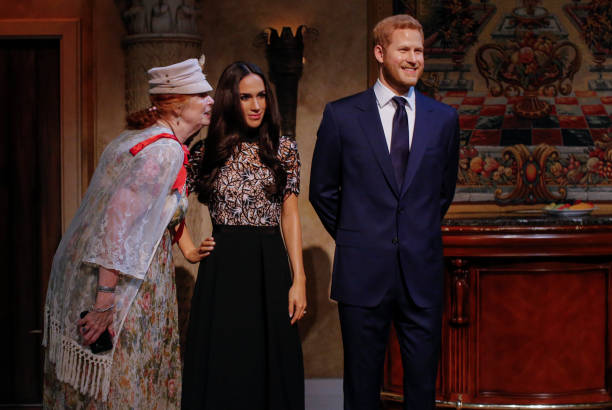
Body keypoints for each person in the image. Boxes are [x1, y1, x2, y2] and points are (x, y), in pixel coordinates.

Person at [42, 58, 216, 409]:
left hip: (112, 272)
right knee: (123, 386)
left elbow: (157, 211)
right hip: (124, 283)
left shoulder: (148, 139)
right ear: (179, 106)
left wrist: (189, 250)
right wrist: (105, 303)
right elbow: (118, 223)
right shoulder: (163, 150)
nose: (211, 100)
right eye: (201, 94)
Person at [309, 14, 460, 410]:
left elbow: (443, 192)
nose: (414, 59)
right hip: (362, 274)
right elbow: (321, 191)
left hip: (421, 272)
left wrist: (414, 231)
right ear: (380, 53)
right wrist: (357, 235)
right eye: (404, 50)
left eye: (419, 51)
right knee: (361, 389)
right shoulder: (342, 116)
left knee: (422, 389)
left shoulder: (444, 120)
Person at [182, 61, 306, 410]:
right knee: (226, 366)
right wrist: (189, 249)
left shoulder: (283, 149)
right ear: (229, 101)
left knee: (272, 365)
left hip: (270, 265)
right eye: (246, 97)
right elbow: (167, 206)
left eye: (262, 96)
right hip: (222, 272)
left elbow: (290, 214)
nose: (256, 105)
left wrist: (300, 278)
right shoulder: (205, 152)